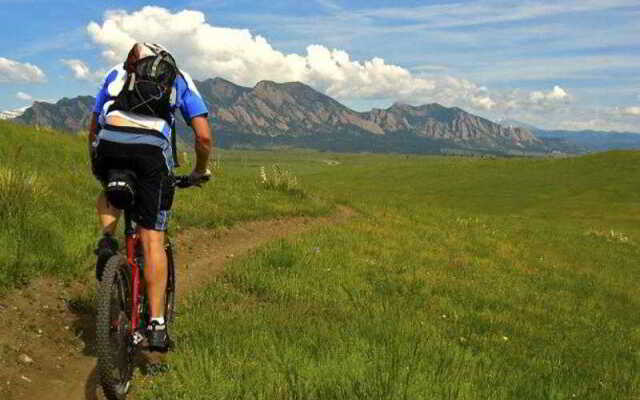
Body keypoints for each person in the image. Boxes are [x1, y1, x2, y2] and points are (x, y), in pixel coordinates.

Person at [89, 42, 212, 351]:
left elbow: (93, 125)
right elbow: (203, 136)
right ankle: (156, 325)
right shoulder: (179, 78)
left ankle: (106, 239)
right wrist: (199, 171)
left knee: (109, 189)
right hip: (151, 151)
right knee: (152, 237)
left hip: (108, 142)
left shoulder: (116, 72)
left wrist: (98, 162)